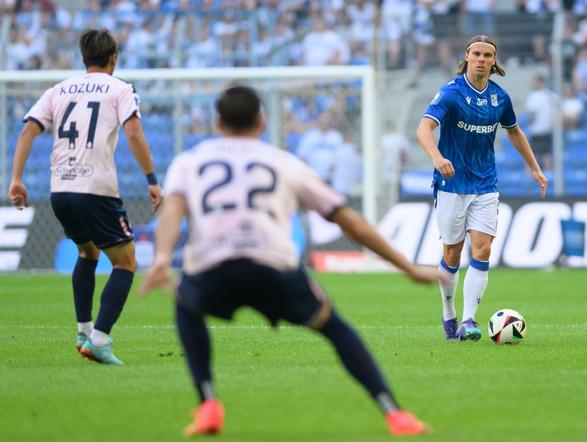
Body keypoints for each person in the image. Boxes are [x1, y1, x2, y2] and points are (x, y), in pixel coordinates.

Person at [139, 86, 445, 437]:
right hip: (273, 267)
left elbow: (173, 207)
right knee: (335, 328)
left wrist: (163, 257)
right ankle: (395, 414)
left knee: (186, 302)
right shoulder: (284, 163)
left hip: (213, 268)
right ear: (262, 121)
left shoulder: (189, 161)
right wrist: (407, 267)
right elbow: (349, 221)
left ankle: (208, 403)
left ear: (217, 122)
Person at [8, 29, 162, 365]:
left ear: (83, 58)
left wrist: (17, 179)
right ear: (113, 59)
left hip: (60, 190)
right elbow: (134, 132)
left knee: (87, 252)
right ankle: (100, 340)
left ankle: (83, 330)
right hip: (96, 190)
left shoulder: (58, 90)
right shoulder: (121, 88)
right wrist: (151, 179)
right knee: (126, 262)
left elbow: (27, 131)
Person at [416, 35, 547, 342]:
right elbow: (424, 127)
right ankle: (449, 312)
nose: (481, 59)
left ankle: (469, 321)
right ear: (467, 56)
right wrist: (436, 157)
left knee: (483, 248)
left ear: (493, 61)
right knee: (451, 252)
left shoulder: (500, 98)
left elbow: (514, 132)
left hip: (486, 183)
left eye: (487, 55)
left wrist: (535, 168)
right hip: (452, 183)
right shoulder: (451, 92)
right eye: (476, 53)